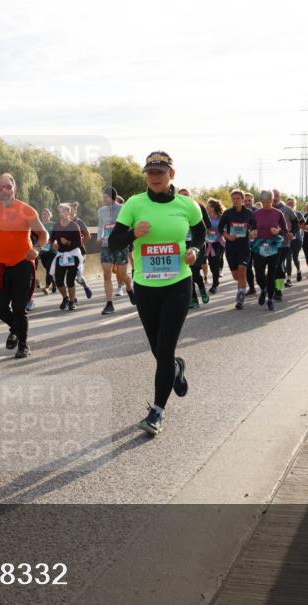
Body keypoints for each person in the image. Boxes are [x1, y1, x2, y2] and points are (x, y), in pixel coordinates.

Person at [107, 151, 203, 436]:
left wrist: (196, 250)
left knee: (164, 349)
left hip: (178, 284)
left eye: (161, 172)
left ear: (172, 174)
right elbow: (114, 244)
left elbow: (200, 235)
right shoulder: (134, 205)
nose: (156, 177)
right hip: (147, 287)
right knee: (158, 350)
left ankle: (157, 412)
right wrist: (134, 233)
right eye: (151, 173)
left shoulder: (188, 206)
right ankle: (175, 368)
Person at [0, 173, 48, 359]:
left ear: (14, 188)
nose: (4, 190)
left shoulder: (26, 210)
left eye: (8, 187)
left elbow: (43, 234)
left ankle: (23, 345)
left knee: (19, 308)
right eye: (1, 188)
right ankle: (16, 328)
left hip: (23, 264)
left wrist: (37, 248)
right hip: (1, 266)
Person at [98, 187, 133, 315]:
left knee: (122, 275)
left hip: (120, 245)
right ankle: (109, 304)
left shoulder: (123, 209)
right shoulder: (101, 211)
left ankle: (129, 288)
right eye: (103, 197)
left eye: (106, 196)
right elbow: (101, 225)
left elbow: (130, 225)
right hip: (106, 245)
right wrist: (99, 237)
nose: (103, 199)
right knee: (107, 274)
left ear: (112, 196)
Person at [218, 189, 255, 309]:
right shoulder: (228, 213)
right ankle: (241, 287)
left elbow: (255, 227)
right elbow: (220, 228)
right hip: (231, 247)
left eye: (238, 198)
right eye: (233, 198)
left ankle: (240, 297)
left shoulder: (249, 213)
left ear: (243, 200)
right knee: (236, 275)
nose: (235, 200)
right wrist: (228, 236)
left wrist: (252, 233)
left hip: (244, 246)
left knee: (242, 270)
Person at [250, 190, 286, 311]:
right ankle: (264, 289)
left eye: (268, 202)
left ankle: (270, 299)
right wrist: (252, 233)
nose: (266, 205)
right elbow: (251, 228)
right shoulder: (255, 214)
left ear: (272, 200)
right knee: (259, 274)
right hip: (259, 248)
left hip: (274, 248)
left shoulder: (278, 213)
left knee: (271, 275)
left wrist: (278, 232)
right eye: (263, 202)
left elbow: (285, 231)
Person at [179, 188, 210, 308]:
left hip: (197, 243)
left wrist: (194, 226)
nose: (184, 198)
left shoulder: (198, 207)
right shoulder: (175, 209)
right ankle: (193, 299)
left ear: (191, 197)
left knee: (195, 271)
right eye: (181, 196)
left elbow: (208, 224)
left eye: (187, 195)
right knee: (187, 272)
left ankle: (201, 288)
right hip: (183, 244)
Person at [271, 189, 298, 298]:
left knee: (279, 266)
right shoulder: (265, 209)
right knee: (272, 266)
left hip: (284, 243)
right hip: (267, 243)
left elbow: (296, 222)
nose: (275, 198)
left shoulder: (287, 209)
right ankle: (272, 287)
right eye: (273, 196)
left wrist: (292, 232)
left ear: (280, 197)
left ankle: (278, 289)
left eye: (277, 196)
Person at [69, 201, 93, 301]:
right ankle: (73, 298)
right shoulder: (63, 223)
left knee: (78, 277)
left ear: (75, 211)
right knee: (69, 276)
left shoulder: (79, 222)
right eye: (68, 210)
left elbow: (88, 235)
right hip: (67, 253)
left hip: (79, 252)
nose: (69, 212)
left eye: (72, 210)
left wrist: (78, 242)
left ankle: (85, 286)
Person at [205, 198, 226, 293]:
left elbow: (226, 228)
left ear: (212, 208)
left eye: (208, 206)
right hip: (209, 243)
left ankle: (214, 284)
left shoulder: (221, 217)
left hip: (219, 243)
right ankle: (216, 278)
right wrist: (206, 231)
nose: (206, 207)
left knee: (215, 261)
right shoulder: (205, 217)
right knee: (211, 263)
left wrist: (218, 231)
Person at [285, 196, 304, 282]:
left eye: (292, 203)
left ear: (295, 204)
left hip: (297, 239)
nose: (290, 205)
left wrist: (294, 225)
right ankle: (288, 278)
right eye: (288, 203)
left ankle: (299, 271)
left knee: (295, 258)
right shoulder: (283, 213)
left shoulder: (299, 214)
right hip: (287, 239)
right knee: (288, 258)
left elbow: (304, 225)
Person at [38, 207, 57, 295]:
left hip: (52, 251)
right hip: (42, 251)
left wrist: (52, 241)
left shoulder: (53, 225)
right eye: (43, 214)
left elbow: (57, 236)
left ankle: (47, 286)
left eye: (46, 214)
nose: (44, 215)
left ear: (50, 216)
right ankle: (53, 282)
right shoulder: (39, 225)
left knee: (49, 268)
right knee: (47, 268)